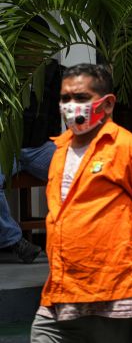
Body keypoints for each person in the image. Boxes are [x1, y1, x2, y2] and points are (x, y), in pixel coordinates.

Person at [30, 64, 132, 343]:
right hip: (60, 291)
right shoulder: (59, 151)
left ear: (107, 104)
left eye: (81, 98)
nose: (71, 106)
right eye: (65, 98)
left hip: (116, 293)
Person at [0, 18, 65, 263]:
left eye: (38, 42)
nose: (33, 48)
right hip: (7, 147)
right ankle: (15, 242)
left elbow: (59, 112)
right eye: (29, 42)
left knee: (81, 173)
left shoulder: (52, 71)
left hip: (40, 147)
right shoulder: (5, 70)